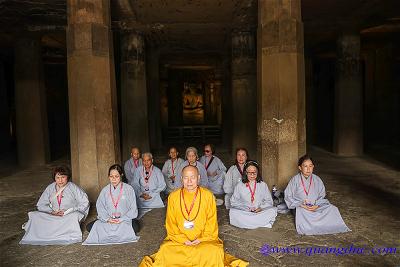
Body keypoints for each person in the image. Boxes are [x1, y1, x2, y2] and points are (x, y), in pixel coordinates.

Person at [139, 165, 249, 267]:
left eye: (193, 177)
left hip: (203, 240)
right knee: (165, 250)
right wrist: (183, 240)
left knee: (214, 251)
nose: (189, 181)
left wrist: (201, 239)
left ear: (199, 178)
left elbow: (211, 223)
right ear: (181, 179)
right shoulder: (173, 197)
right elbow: (170, 223)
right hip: (179, 240)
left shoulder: (208, 196)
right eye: (186, 178)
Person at [20, 165, 89, 245]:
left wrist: (71, 210)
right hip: (53, 214)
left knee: (75, 216)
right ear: (54, 178)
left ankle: (54, 230)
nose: (60, 180)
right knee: (35, 215)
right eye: (58, 177)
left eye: (63, 177)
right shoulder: (50, 187)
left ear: (68, 177)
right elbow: (41, 204)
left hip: (67, 215)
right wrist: (51, 212)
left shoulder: (73, 187)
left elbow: (85, 202)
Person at [284, 155, 351, 235]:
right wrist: (301, 205)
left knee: (332, 208)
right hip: (301, 207)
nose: (308, 169)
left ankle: (317, 223)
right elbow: (288, 196)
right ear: (300, 167)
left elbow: (322, 196)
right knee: (302, 212)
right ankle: (316, 223)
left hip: (315, 206)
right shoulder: (295, 180)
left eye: (310, 166)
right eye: (305, 166)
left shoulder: (317, 179)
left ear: (313, 167)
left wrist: (317, 205)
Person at [83, 164, 139, 245]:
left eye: (116, 176)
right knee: (89, 227)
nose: (114, 179)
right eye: (111, 176)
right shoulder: (105, 190)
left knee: (135, 227)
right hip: (109, 220)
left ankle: (113, 229)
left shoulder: (129, 189)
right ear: (108, 176)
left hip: (124, 220)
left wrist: (121, 219)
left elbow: (133, 208)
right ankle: (117, 230)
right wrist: (108, 219)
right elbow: (100, 206)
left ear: (121, 175)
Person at [229, 161, 277, 229]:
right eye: (249, 173)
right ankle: (262, 223)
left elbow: (269, 201)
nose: (252, 175)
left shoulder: (263, 185)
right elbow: (233, 202)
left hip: (259, 211)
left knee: (273, 210)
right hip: (245, 211)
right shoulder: (239, 185)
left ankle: (248, 224)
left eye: (254, 173)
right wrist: (245, 208)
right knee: (233, 212)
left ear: (257, 173)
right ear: (245, 173)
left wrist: (260, 208)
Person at [132, 152, 166, 218]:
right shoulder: (138, 170)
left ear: (152, 160)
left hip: (153, 195)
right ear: (142, 161)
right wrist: (141, 194)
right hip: (142, 194)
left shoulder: (157, 171)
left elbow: (163, 185)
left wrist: (151, 194)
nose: (146, 162)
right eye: (144, 161)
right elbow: (134, 183)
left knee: (157, 198)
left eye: (148, 160)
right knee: (135, 198)